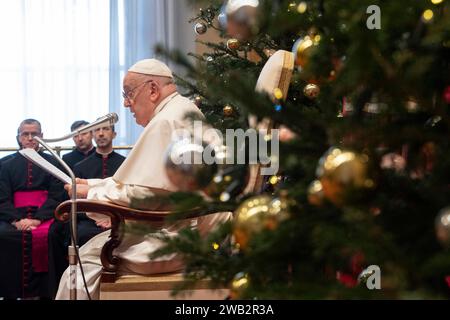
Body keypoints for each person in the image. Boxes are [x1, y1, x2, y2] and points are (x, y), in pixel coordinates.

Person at [55, 59, 231, 300]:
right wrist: (95, 185)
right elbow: (153, 185)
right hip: (189, 224)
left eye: (128, 94)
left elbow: (147, 197)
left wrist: (90, 194)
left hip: (178, 234)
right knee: (89, 249)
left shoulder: (166, 122)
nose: (126, 103)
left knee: (82, 268)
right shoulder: (180, 110)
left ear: (152, 90)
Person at [48, 124, 125, 298]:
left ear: (114, 134)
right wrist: (95, 217)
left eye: (105, 129)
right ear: (93, 134)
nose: (101, 133)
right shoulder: (81, 166)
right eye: (97, 130)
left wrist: (111, 218)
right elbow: (77, 203)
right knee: (78, 234)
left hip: (118, 219)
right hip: (88, 221)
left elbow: (124, 195)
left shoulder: (124, 163)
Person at [0, 119, 66, 299]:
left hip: (46, 215)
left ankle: (48, 293)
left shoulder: (53, 162)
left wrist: (38, 219)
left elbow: (57, 194)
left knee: (52, 236)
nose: (30, 138)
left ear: (42, 137)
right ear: (18, 138)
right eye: (25, 134)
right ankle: (10, 293)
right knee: (4, 236)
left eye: (34, 134)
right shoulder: (5, 164)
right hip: (14, 216)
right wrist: (16, 220)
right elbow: (2, 197)